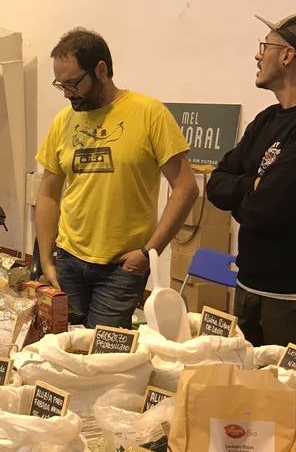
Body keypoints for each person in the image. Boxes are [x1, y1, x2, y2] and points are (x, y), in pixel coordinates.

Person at [36, 28, 199, 328]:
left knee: (103, 360)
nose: (68, 93)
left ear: (101, 69)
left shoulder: (150, 113)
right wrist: (47, 260)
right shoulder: (63, 121)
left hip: (121, 267)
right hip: (68, 259)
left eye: (73, 83)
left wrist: (149, 252)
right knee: (60, 349)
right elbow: (48, 192)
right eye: (60, 85)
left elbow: (186, 188)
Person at [207, 14, 296, 347]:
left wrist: (248, 192)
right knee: (246, 392)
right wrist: (251, 186)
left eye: (265, 46)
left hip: (295, 301)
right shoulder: (266, 119)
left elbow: (265, 209)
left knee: (286, 395)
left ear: (288, 56)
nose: (258, 56)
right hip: (249, 288)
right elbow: (216, 183)